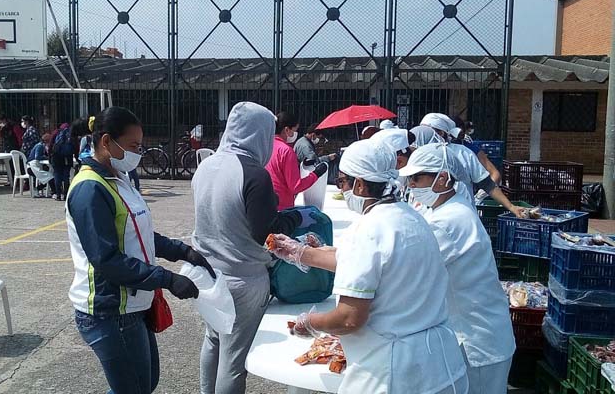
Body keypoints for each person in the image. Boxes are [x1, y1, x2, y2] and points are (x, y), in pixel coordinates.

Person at [268, 139, 468, 394]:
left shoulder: (368, 229)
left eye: (342, 182)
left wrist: (309, 323)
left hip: (395, 371)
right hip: (439, 365)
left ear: (359, 184)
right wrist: (301, 253)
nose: (341, 187)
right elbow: (368, 264)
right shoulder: (411, 217)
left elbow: (349, 319)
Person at [67, 106, 214, 394]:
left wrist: (183, 251)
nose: (139, 153)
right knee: (134, 389)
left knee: (144, 383)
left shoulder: (119, 180)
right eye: (133, 146)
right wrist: (168, 279)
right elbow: (106, 260)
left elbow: (139, 234)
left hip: (133, 305)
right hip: (109, 310)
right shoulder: (90, 190)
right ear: (107, 141)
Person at [193, 102, 304, 394]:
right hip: (242, 279)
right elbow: (266, 233)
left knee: (213, 340)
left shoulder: (206, 165)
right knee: (234, 361)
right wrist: (298, 216)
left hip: (206, 273)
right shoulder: (254, 174)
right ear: (260, 134)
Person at [399, 143, 515, 393]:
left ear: (442, 178)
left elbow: (402, 267)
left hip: (479, 342)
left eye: (416, 178)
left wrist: (311, 256)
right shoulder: (446, 208)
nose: (411, 185)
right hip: (472, 333)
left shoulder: (450, 221)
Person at [419, 113, 525, 217]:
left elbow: (488, 184)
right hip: (428, 215)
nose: (421, 135)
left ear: (441, 133)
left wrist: (511, 207)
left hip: (462, 214)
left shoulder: (464, 153)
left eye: (426, 132)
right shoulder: (419, 155)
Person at [265, 111, 327, 210]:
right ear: (287, 130)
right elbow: (295, 187)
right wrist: (316, 174)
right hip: (283, 207)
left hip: (266, 204)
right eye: (294, 130)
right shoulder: (286, 151)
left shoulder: (266, 147)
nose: (295, 134)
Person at [452, 115, 502, 184]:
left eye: (461, 129)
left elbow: (495, 174)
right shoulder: (439, 150)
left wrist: (484, 192)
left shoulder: (470, 149)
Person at [49, 122, 75, 201]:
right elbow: (75, 146)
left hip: (56, 157)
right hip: (67, 157)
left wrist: (50, 156)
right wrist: (76, 157)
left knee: (57, 175)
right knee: (66, 176)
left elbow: (50, 145)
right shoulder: (71, 134)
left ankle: (58, 195)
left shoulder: (56, 132)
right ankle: (66, 194)